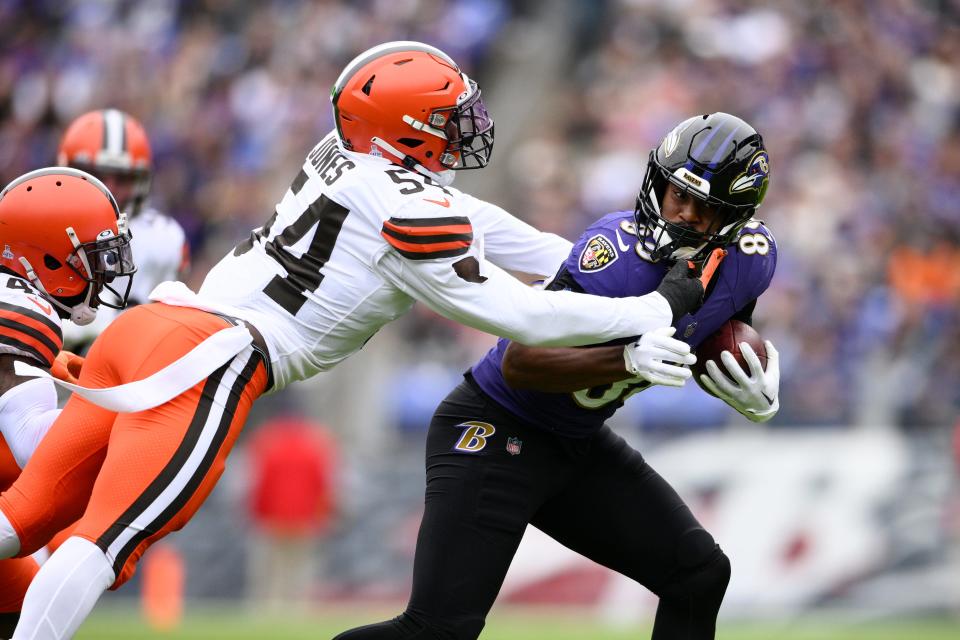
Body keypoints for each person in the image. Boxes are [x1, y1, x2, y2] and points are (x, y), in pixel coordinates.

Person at [0, 42, 720, 639]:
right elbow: (522, 318)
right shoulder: (402, 212)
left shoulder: (349, 159)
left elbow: (496, 230)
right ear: (404, 130)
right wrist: (652, 309)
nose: (462, 129)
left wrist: (614, 268)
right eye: (445, 119)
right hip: (212, 356)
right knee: (104, 543)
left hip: (157, 328)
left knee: (25, 514)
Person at [333, 113, 780, 640]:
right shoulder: (615, 253)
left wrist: (748, 383)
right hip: (495, 428)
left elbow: (718, 327)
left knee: (699, 574)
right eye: (673, 193)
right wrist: (627, 361)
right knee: (436, 630)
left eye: (702, 207)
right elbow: (521, 363)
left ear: (734, 216)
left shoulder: (752, 259)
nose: (680, 214)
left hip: (576, 441)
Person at [0, 167, 135, 638]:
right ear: (48, 258)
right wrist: (122, 412)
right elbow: (34, 445)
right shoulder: (22, 313)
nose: (105, 269)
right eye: (92, 256)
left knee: (22, 606)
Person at [56, 108, 190, 351]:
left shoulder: (164, 237)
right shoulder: (39, 217)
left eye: (123, 178)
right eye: (95, 174)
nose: (108, 188)